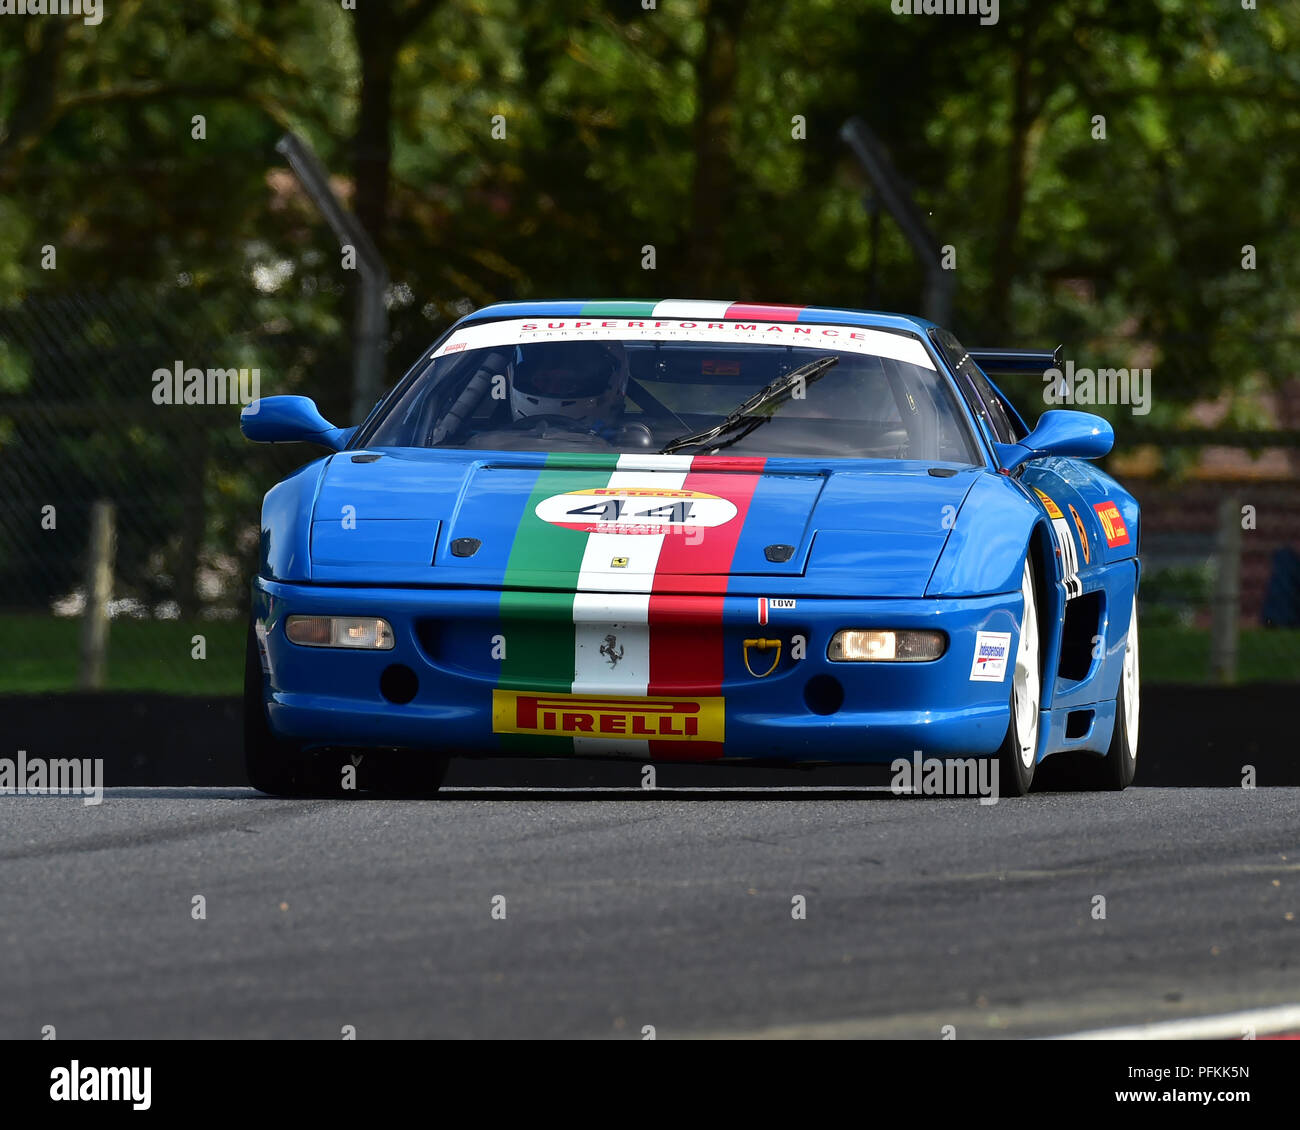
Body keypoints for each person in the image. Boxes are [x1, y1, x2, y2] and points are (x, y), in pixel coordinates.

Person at [508, 339, 630, 435]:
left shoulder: (629, 447)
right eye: (543, 382)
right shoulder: (492, 439)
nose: (552, 390)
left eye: (566, 384)